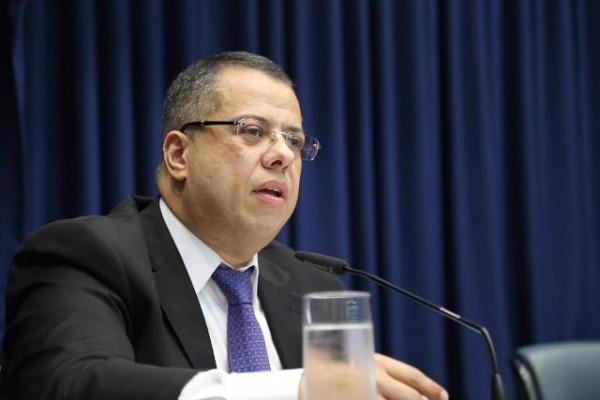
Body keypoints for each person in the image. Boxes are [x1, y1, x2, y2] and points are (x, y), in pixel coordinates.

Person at [0, 51, 448, 400]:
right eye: (252, 131)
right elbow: (70, 384)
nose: (283, 155)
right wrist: (291, 390)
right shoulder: (85, 254)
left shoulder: (315, 287)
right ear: (179, 154)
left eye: (294, 140)